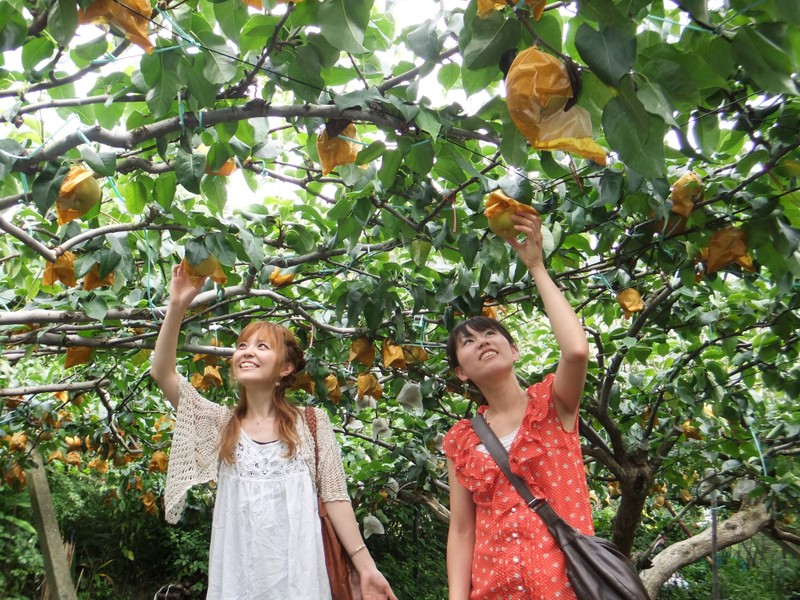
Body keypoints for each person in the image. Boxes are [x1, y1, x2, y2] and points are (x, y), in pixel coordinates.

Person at [151, 261, 397, 600]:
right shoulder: (220, 424)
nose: (247, 352)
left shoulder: (312, 424)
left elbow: (336, 498)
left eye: (261, 346)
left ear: (285, 367)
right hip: (238, 583)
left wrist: (367, 567)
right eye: (242, 346)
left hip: (301, 580)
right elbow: (163, 374)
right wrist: (178, 305)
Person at [442, 210, 593, 599]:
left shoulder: (552, 405)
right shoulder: (461, 441)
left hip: (565, 588)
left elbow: (576, 351)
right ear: (461, 373)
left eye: (491, 334)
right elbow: (461, 529)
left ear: (514, 349)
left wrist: (536, 267)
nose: (482, 342)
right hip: (493, 590)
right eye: (468, 342)